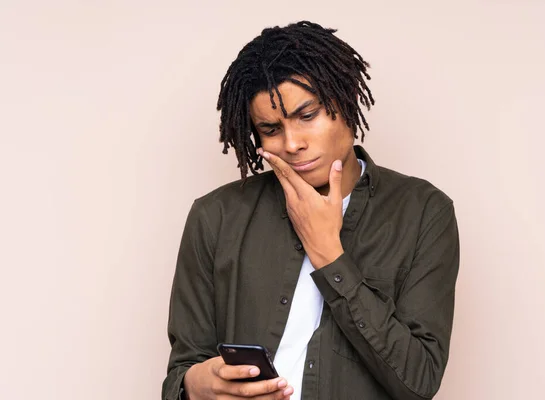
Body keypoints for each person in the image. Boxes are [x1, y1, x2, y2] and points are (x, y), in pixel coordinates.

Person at [162, 21, 460, 400]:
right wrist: (194, 385)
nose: (292, 143)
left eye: (307, 116)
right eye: (270, 129)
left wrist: (329, 255)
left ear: (347, 102)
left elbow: (418, 382)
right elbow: (182, 370)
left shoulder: (423, 214)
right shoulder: (215, 217)